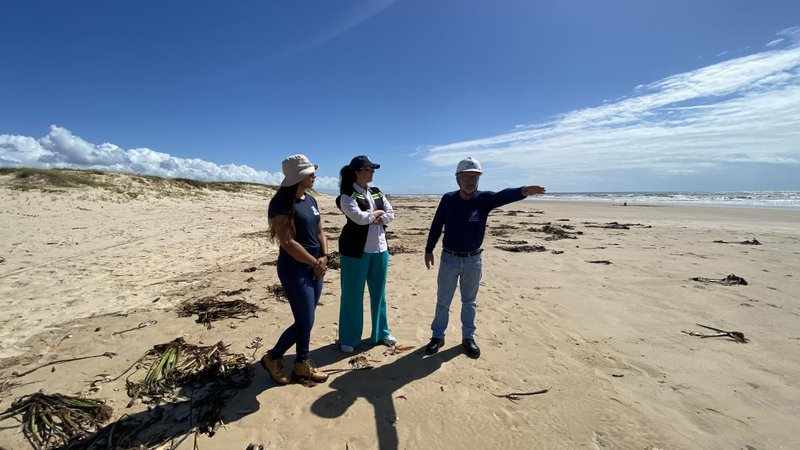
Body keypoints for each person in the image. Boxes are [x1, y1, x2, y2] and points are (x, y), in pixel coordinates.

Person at [423, 157, 546, 358]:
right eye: (466, 177)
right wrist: (429, 249)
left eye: (475, 177)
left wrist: (522, 191)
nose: (470, 181)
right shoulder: (448, 199)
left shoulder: (484, 200)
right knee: (443, 300)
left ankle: (468, 337)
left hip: (473, 260)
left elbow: (502, 196)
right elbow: (437, 224)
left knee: (469, 301)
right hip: (449, 259)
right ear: (457, 179)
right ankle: (437, 337)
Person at [260, 154, 329, 385]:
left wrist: (325, 257)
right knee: (304, 321)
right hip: (294, 268)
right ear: (298, 177)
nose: (314, 176)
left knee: (307, 318)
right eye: (310, 173)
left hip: (316, 265)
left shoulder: (310, 200)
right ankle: (273, 357)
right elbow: (288, 242)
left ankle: (302, 364)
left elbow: (320, 231)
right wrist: (314, 262)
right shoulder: (280, 203)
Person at [335, 155, 396, 353]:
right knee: (352, 295)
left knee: (379, 294)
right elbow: (360, 219)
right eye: (368, 169)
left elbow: (390, 214)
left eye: (372, 169)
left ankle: (381, 333)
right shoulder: (346, 195)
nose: (372, 172)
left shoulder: (377, 192)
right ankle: (349, 338)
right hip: (355, 252)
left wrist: (377, 216)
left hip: (380, 249)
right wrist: (377, 215)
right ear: (357, 172)